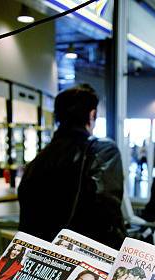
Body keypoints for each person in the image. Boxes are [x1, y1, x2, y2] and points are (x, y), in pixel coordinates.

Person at [18, 84, 125, 248]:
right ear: (92, 115)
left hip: (40, 257)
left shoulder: (38, 160)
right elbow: (107, 216)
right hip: (82, 259)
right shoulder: (101, 150)